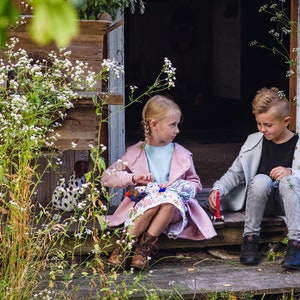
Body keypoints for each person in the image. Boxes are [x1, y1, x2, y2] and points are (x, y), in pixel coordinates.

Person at [101, 95, 217, 270]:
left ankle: (143, 247)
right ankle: (127, 244)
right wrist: (133, 177)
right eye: (172, 125)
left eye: (178, 124)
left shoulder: (182, 153)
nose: (177, 130)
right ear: (154, 124)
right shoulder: (135, 153)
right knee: (154, 203)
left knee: (168, 200)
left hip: (174, 209)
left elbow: (195, 182)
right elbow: (107, 177)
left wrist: (181, 187)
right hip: (144, 207)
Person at [208, 87, 300, 269]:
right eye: (259, 124)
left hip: (290, 204)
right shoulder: (253, 140)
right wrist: (217, 189)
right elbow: (235, 173)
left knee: (289, 182)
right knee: (261, 179)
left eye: (268, 125)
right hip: (261, 202)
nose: (262, 129)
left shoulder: (298, 143)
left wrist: (291, 172)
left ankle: (296, 244)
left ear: (287, 121)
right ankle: (250, 240)